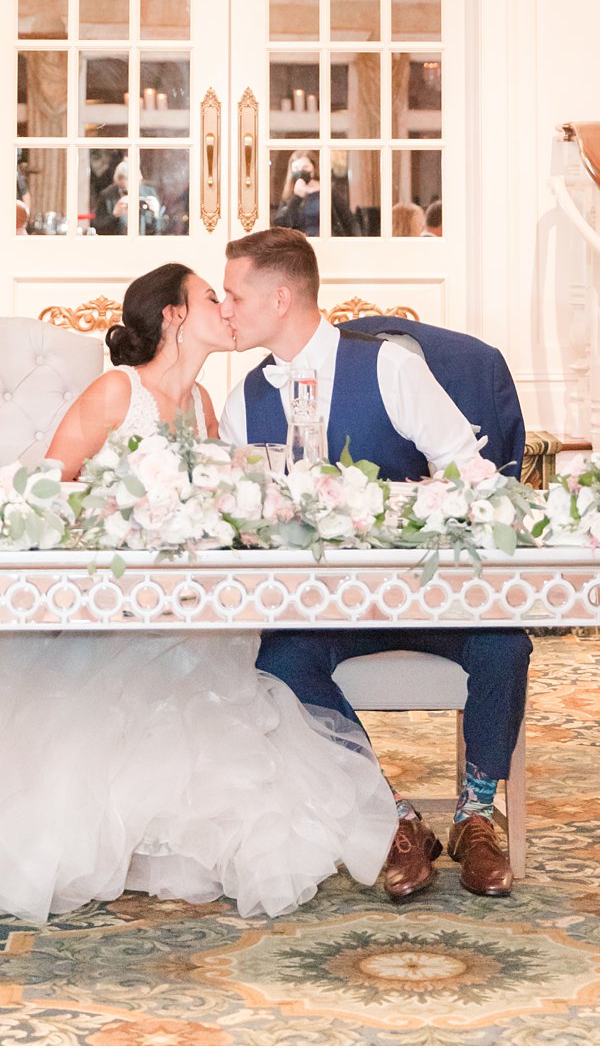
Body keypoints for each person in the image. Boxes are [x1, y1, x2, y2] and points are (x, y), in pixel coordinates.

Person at [0, 261, 395, 923]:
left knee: (220, 679)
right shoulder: (116, 392)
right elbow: (49, 489)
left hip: (185, 607)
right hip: (111, 603)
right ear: (174, 315)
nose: (225, 307)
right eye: (209, 296)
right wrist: (119, 518)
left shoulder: (203, 407)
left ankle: (163, 836)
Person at [219, 226, 529, 903]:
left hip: (426, 592)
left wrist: (394, 505)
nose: (225, 310)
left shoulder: (388, 366)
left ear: (280, 296)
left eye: (234, 295)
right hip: (324, 605)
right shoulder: (244, 400)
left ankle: (477, 814)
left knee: (505, 641)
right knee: (277, 663)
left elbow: (472, 474)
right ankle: (392, 816)